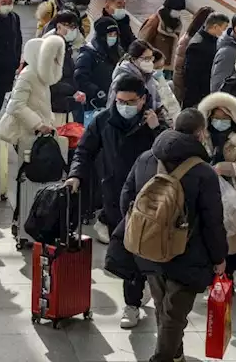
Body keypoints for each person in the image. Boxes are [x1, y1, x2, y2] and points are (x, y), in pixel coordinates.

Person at [121, 108, 227, 362]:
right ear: (201, 133)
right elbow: (213, 221)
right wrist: (219, 257)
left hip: (148, 247)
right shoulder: (204, 172)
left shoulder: (147, 158)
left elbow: (126, 195)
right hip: (187, 255)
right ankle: (163, 358)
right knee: (174, 315)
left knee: (163, 307)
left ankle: (175, 353)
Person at [66, 75, 165, 326]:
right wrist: (76, 175)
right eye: (120, 100)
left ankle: (133, 299)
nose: (124, 106)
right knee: (126, 251)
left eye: (130, 101)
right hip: (114, 196)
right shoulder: (103, 120)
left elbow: (172, 152)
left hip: (148, 197)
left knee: (141, 251)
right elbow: (85, 151)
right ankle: (132, 301)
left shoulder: (154, 122)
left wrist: (157, 129)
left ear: (143, 100)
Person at [199, 91, 236, 272]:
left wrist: (221, 168)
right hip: (207, 192)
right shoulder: (203, 137)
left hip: (234, 192)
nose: (220, 121)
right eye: (216, 117)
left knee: (232, 239)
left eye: (224, 117)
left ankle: (229, 276)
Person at [0, 34, 66, 152]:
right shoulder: (28, 75)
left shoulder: (43, 76)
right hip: (26, 132)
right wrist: (38, 124)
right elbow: (16, 105)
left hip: (38, 132)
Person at [75, 16, 123, 120]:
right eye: (110, 34)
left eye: (115, 34)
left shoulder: (117, 51)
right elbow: (80, 77)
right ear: (101, 36)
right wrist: (97, 92)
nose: (113, 38)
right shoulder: (88, 54)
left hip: (114, 101)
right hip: (94, 105)